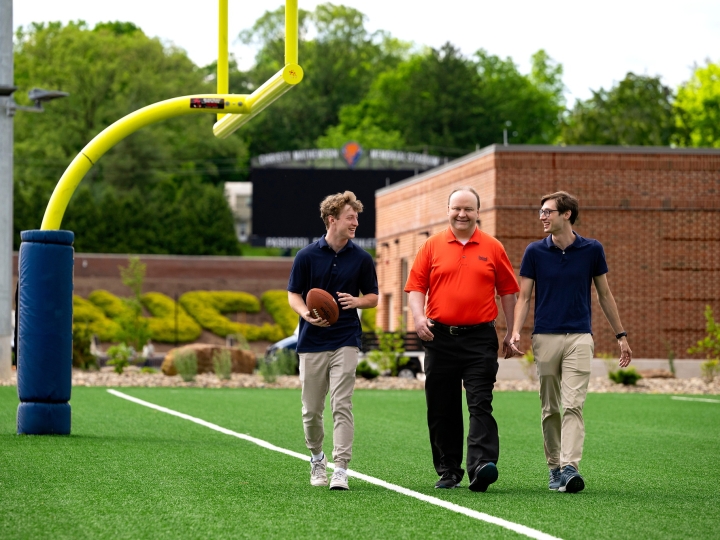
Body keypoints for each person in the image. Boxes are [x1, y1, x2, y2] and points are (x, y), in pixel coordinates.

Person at [509, 191, 632, 494]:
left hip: (579, 336)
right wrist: (515, 331)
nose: (542, 216)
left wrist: (621, 336)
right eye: (541, 211)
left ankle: (570, 467)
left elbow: (604, 295)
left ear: (567, 215)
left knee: (573, 404)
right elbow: (524, 297)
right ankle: (553, 467)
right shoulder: (534, 252)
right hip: (545, 336)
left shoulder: (592, 250)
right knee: (550, 407)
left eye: (548, 211)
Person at [405, 187, 519, 492]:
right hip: (439, 336)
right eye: (457, 208)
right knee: (442, 406)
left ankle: (481, 466)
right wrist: (418, 318)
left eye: (468, 209)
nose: (462, 214)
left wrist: (511, 330)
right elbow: (416, 288)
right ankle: (449, 470)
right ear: (448, 210)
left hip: (480, 337)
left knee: (480, 402)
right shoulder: (431, 246)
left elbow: (508, 291)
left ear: (478, 212)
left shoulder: (493, 247)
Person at [287, 191, 379, 491]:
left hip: (346, 338)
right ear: (332, 219)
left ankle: (340, 468)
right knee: (311, 410)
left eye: (357, 218)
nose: (355, 223)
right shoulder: (306, 256)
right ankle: (317, 458)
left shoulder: (362, 259)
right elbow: (294, 294)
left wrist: (358, 301)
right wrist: (305, 314)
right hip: (312, 340)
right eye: (350, 218)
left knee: (342, 403)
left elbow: (374, 297)